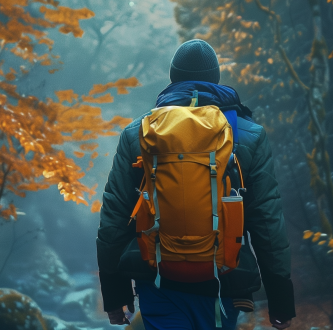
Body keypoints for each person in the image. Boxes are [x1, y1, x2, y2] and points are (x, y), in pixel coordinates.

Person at [96, 39, 295, 330]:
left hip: (157, 280)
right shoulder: (249, 135)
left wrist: (115, 294)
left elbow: (113, 220)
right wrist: (280, 298)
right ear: (215, 77)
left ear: (173, 77)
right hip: (221, 282)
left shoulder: (138, 133)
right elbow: (267, 222)